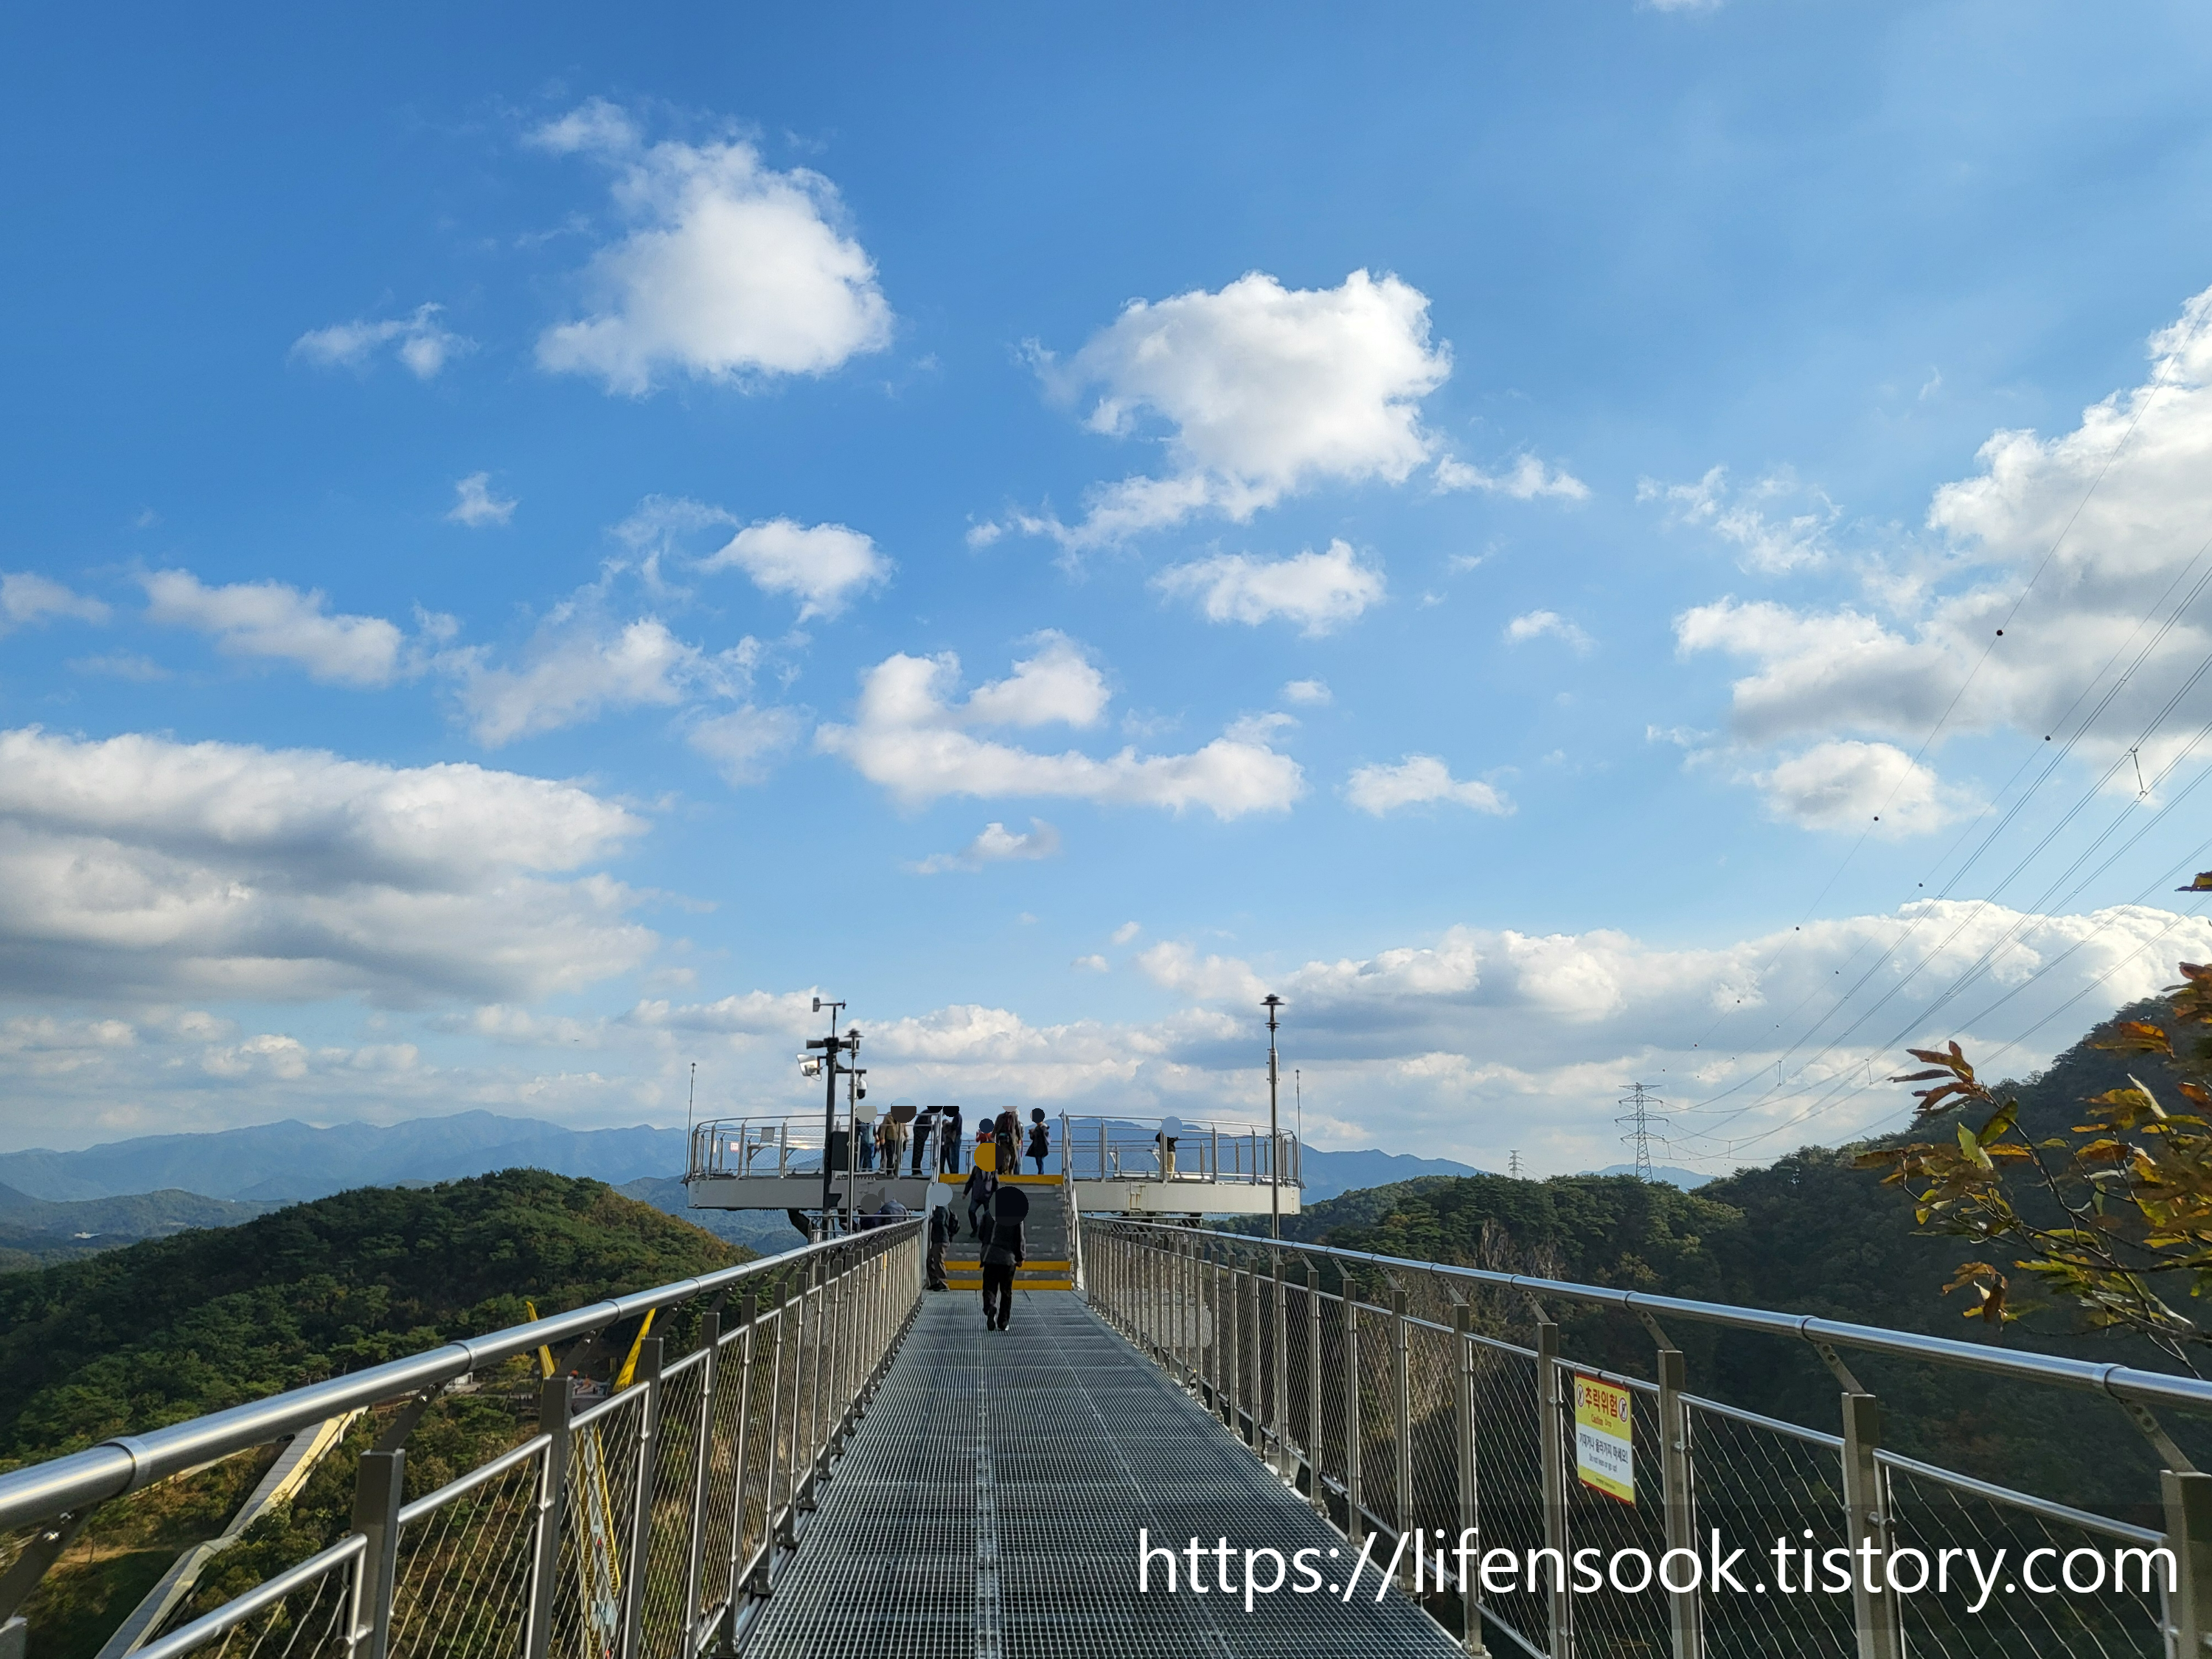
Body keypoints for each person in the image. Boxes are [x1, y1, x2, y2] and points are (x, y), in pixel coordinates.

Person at [979, 1182, 1029, 1330]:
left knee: (989, 1287)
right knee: (1006, 1291)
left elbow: (981, 1234)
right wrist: (1020, 1257)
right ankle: (1004, 1322)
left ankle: (990, 1308)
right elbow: (1019, 1238)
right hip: (1008, 1259)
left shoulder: (988, 1214)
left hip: (990, 1256)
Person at [962, 1158, 995, 1240]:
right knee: (971, 1211)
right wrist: (965, 1193)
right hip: (976, 1196)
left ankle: (987, 1232)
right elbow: (970, 1182)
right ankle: (975, 1228)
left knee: (988, 1216)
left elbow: (995, 1183)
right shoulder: (976, 1169)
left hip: (988, 1197)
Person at [926, 1205, 951, 1290]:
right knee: (931, 1260)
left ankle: (943, 1283)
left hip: (940, 1239)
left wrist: (933, 1219)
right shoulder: (943, 1208)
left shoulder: (942, 1209)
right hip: (939, 1239)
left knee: (938, 1261)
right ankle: (935, 1282)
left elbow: (941, 1222)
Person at [911, 1105, 938, 1176]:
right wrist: (933, 1127)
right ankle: (916, 1170)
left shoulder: (927, 1113)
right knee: (918, 1153)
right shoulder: (927, 1114)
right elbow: (926, 1124)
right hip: (919, 1136)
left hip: (920, 1136)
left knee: (919, 1153)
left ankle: (917, 1169)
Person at [939, 1104, 964, 1174]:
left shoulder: (957, 1117)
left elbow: (955, 1126)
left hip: (957, 1137)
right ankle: (954, 1170)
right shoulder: (958, 1116)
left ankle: (955, 1171)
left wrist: (949, 1126)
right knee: (954, 1155)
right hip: (957, 1137)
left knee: (955, 1155)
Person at [993, 1110, 1018, 1180]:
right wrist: (993, 1135)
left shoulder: (1014, 1116)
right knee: (1004, 1157)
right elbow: (996, 1126)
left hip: (1011, 1140)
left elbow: (1016, 1127)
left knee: (1014, 1156)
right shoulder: (1001, 1117)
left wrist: (1019, 1138)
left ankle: (1010, 1169)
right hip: (1002, 1139)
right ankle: (1005, 1171)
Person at [1026, 1108, 1050, 1175]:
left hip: (1041, 1147)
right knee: (1038, 1161)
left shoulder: (1042, 1128)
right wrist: (1032, 1134)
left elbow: (1044, 1137)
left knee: (1040, 1161)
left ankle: (1041, 1173)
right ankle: (1040, 1172)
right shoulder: (1039, 1128)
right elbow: (1033, 1138)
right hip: (1038, 1147)